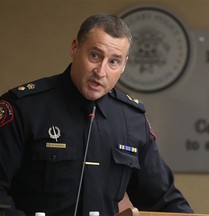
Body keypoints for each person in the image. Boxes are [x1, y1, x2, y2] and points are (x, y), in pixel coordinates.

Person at [0, 14, 193, 216]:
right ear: (75, 48)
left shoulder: (132, 119)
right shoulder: (24, 107)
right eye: (95, 56)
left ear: (124, 65)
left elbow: (162, 200)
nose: (101, 71)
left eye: (113, 62)